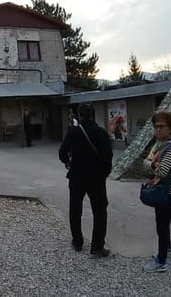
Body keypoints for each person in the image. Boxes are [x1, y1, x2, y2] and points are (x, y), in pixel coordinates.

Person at [58, 102, 112, 257]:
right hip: (96, 178)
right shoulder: (102, 133)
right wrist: (104, 173)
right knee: (100, 212)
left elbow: (62, 153)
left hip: (76, 177)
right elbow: (108, 157)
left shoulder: (73, 132)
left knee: (75, 209)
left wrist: (68, 163)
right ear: (93, 115)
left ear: (79, 115)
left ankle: (77, 242)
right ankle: (97, 247)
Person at [142, 112, 171, 273]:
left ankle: (161, 261)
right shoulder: (161, 144)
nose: (158, 130)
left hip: (168, 194)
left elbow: (162, 171)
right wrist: (152, 163)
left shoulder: (170, 148)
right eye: (156, 127)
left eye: (162, 126)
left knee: (162, 226)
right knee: (164, 224)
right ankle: (167, 248)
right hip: (169, 191)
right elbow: (148, 162)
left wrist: (150, 164)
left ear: (170, 128)